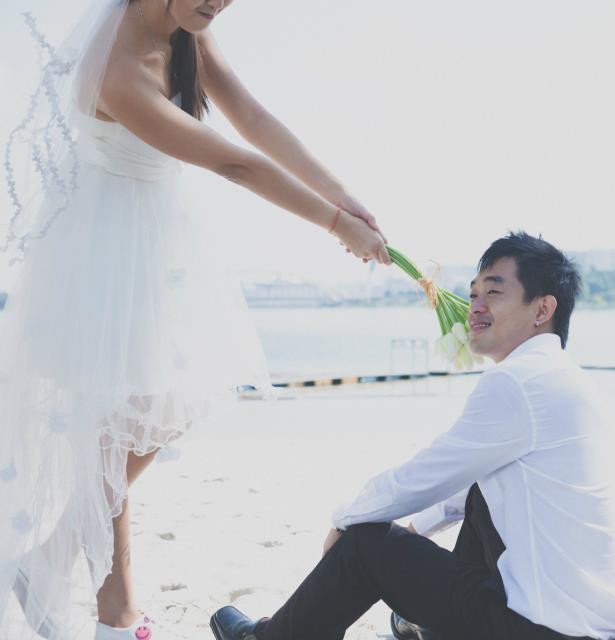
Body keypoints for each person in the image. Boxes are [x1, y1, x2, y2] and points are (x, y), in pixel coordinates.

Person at [0, 1, 390, 639]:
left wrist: (342, 197)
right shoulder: (118, 68)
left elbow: (254, 120)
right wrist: (333, 223)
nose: (220, 1)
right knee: (121, 426)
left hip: (160, 242)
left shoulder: (188, 29)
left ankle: (61, 564)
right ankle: (114, 612)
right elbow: (233, 163)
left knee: (150, 417)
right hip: (109, 250)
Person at [210, 232, 615, 640]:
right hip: (606, 626)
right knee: (478, 495)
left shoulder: (518, 382)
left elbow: (422, 478)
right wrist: (416, 531)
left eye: (493, 293)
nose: (475, 307)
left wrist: (346, 521)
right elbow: (464, 489)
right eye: (473, 293)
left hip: (546, 631)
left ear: (542, 309)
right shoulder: (569, 379)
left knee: (365, 544)